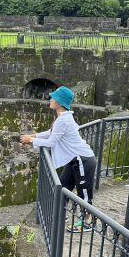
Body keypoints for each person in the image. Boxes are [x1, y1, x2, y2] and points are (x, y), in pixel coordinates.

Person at [20, 86, 96, 233]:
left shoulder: (64, 119)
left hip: (83, 160)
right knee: (62, 187)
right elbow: (51, 133)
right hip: (74, 159)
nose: (51, 99)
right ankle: (60, 216)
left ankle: (88, 223)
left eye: (53, 98)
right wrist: (34, 136)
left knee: (84, 193)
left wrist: (31, 140)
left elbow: (51, 143)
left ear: (60, 102)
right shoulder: (63, 117)